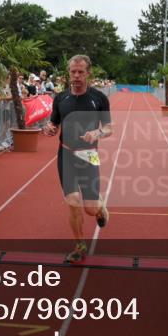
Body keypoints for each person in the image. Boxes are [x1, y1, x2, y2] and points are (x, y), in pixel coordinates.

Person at [43, 55, 112, 263]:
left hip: (88, 155)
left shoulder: (98, 99)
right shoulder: (61, 98)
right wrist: (49, 129)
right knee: (73, 202)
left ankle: (101, 209)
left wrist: (96, 134)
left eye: (81, 72)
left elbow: (108, 128)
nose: (76, 76)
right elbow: (53, 124)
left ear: (88, 73)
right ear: (69, 73)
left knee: (90, 208)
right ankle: (80, 246)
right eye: (73, 72)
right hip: (66, 154)